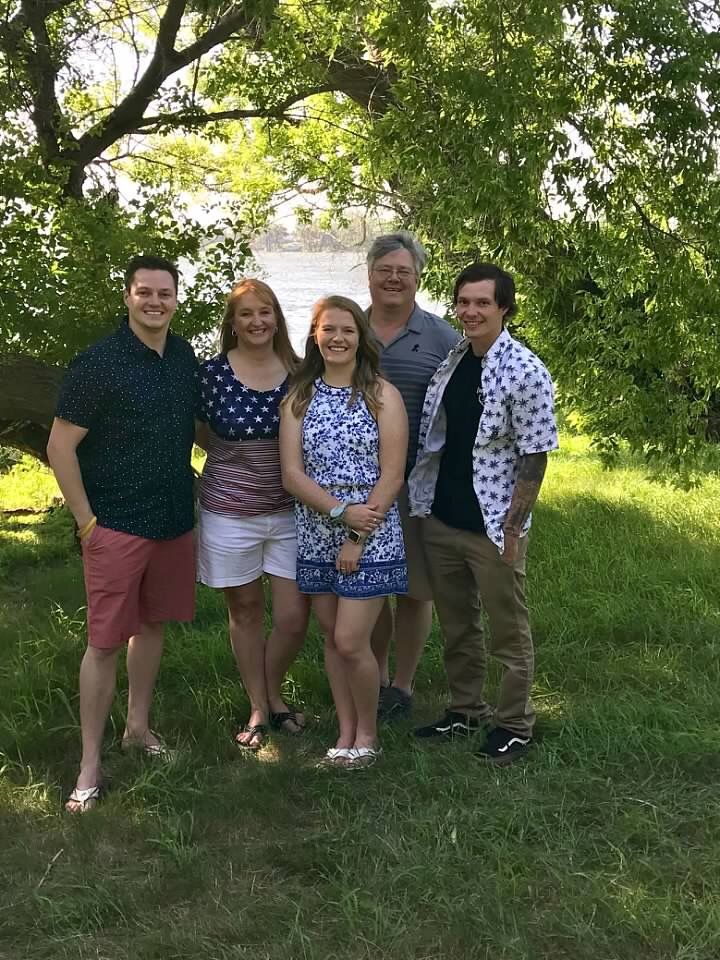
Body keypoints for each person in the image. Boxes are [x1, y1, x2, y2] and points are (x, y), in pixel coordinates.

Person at [47, 254, 198, 812]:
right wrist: (85, 521)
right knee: (105, 641)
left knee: (152, 624)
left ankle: (137, 727)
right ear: (128, 297)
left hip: (173, 522)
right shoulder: (99, 363)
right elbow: (60, 446)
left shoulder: (183, 357)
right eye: (144, 292)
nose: (155, 301)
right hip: (114, 523)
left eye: (164, 293)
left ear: (176, 299)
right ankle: (89, 764)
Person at [409, 262, 558, 764]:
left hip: (493, 527)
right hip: (442, 518)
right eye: (463, 302)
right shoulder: (455, 359)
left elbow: (535, 456)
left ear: (504, 309)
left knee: (508, 633)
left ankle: (514, 725)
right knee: (457, 626)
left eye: (482, 303)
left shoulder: (525, 370)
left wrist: (513, 528)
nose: (470, 311)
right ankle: (465, 710)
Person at [280, 295, 408, 767]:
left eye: (347, 330)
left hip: (370, 533)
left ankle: (368, 736)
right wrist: (338, 513)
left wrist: (356, 534)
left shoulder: (381, 394)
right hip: (317, 530)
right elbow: (291, 474)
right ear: (315, 335)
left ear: (360, 338)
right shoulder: (299, 396)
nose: (337, 338)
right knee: (333, 639)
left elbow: (392, 475)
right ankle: (345, 731)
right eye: (328, 329)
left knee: (353, 640)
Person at [195, 279, 310, 751]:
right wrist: (237, 461)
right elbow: (199, 431)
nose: (257, 321)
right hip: (228, 513)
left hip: (291, 513)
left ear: (277, 318)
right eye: (246, 314)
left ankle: (273, 689)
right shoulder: (211, 374)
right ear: (233, 323)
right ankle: (262, 705)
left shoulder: (302, 371)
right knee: (244, 611)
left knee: (293, 617)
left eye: (265, 312)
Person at [366, 231, 460, 720]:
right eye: (385, 270)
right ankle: (375, 677)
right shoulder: (346, 327)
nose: (394, 279)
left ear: (418, 278)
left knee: (414, 588)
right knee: (369, 586)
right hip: (355, 486)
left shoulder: (443, 336)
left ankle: (402, 685)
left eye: (403, 271)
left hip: (419, 484)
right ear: (369, 274)